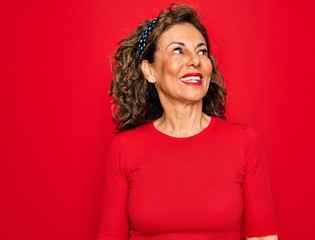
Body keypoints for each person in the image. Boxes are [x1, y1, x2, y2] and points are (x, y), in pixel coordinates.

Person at [97, 3, 278, 240]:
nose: (195, 60)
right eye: (178, 50)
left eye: (202, 52)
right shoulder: (125, 149)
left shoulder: (243, 142)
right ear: (150, 71)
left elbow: (262, 237)